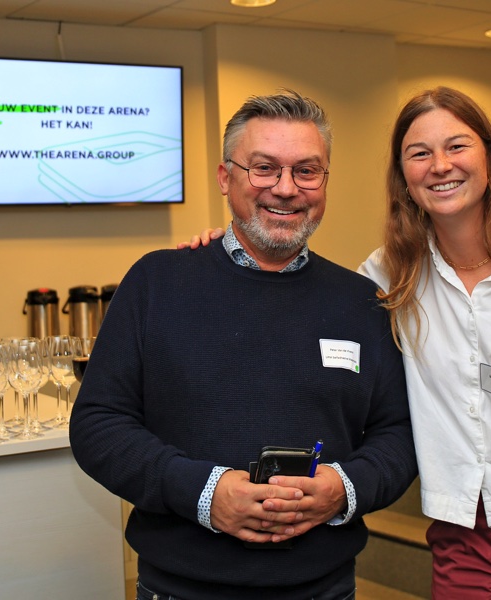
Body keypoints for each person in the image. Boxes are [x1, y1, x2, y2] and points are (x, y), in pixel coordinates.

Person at [188, 86, 491, 599]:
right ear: (403, 175)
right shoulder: (389, 277)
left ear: (490, 157)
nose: (440, 165)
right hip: (467, 536)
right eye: (419, 153)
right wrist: (218, 258)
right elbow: (303, 294)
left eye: (457, 146)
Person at [70, 90, 418, 600]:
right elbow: (98, 425)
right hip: (181, 589)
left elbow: (399, 433)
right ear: (225, 177)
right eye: (264, 168)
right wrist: (204, 494)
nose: (286, 188)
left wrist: (343, 489)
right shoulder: (156, 283)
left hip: (325, 589)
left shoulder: (361, 301)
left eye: (306, 171)